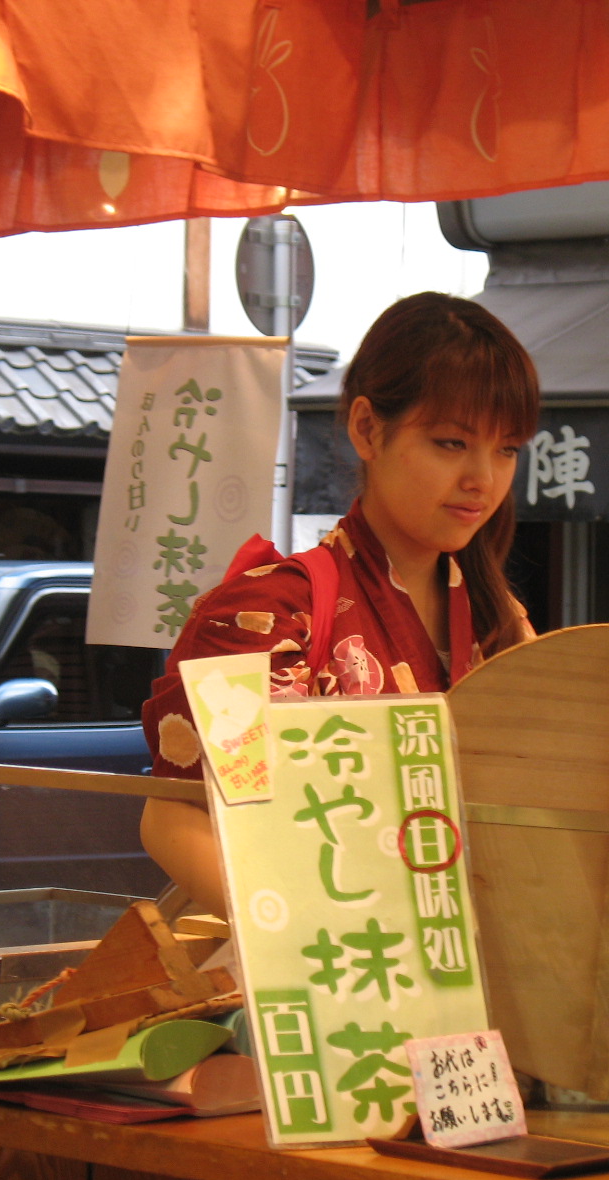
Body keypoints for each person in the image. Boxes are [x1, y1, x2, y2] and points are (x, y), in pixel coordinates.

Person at [139, 292, 541, 917]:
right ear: (366, 429)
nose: (483, 479)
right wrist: (302, 938)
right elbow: (176, 818)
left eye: (507, 448)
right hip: (329, 965)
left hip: (464, 964)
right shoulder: (269, 610)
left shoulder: (502, 623)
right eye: (451, 443)